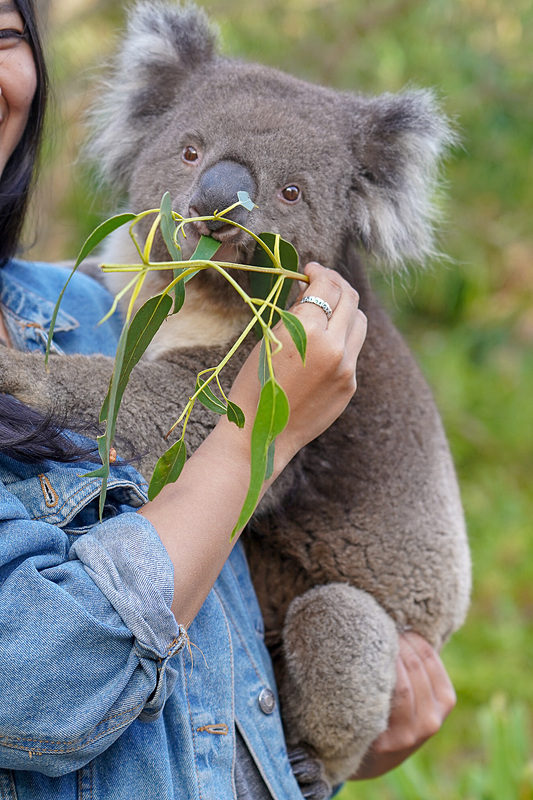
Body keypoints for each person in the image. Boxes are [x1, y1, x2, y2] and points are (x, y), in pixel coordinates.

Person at [0, 2, 456, 798]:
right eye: (189, 152)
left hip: (336, 607)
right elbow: (32, 684)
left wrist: (340, 749)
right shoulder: (122, 291)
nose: (216, 195)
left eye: (284, 190)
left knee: (339, 634)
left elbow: (167, 411)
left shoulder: (296, 329)